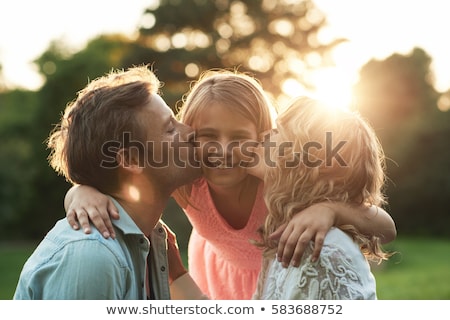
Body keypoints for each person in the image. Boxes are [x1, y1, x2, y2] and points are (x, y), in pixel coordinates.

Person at [64, 69, 397, 299]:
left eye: (240, 138)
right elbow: (123, 179)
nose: (223, 151)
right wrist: (80, 191)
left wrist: (330, 209)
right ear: (190, 136)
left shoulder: (279, 184)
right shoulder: (187, 181)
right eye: (208, 136)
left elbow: (385, 228)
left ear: (262, 136)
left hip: (279, 275)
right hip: (217, 274)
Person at [13, 66, 206, 300]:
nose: (190, 132)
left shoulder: (153, 241)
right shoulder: (92, 255)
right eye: (170, 129)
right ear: (131, 160)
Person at [251, 96, 392, 299]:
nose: (264, 135)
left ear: (303, 163)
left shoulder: (316, 251)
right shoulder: (293, 237)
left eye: (277, 131)